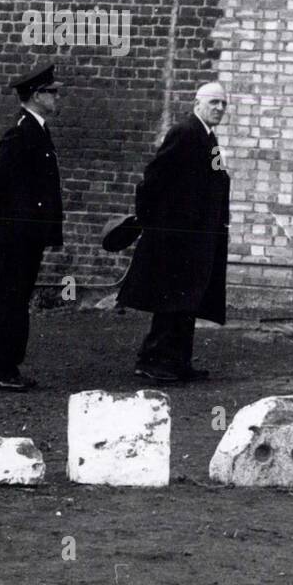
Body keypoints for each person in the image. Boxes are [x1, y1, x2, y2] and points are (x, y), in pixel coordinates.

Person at [118, 82, 232, 382]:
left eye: (223, 104)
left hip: (197, 238)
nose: (219, 108)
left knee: (186, 301)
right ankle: (152, 361)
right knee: (171, 301)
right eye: (214, 103)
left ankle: (178, 362)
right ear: (198, 104)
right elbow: (153, 178)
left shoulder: (209, 139)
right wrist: (154, 222)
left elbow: (218, 183)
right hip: (176, 237)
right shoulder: (185, 133)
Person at [0, 63, 65, 390]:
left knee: (15, 299)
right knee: (9, 300)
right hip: (17, 236)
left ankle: (7, 367)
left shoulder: (35, 129)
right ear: (36, 95)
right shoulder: (22, 132)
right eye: (52, 92)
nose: (57, 97)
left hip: (26, 234)